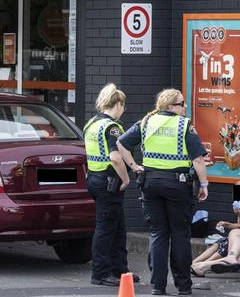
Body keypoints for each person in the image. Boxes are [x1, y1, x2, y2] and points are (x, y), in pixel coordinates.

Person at [117, 88, 209, 296]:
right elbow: (198, 160)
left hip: (150, 184)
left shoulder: (147, 122)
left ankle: (158, 286)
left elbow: (121, 143)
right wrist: (204, 185)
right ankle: (183, 286)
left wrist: (134, 166)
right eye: (182, 103)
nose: (185, 107)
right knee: (180, 234)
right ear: (170, 106)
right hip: (178, 185)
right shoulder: (184, 125)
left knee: (158, 234)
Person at [84, 83, 140, 287]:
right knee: (106, 229)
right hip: (108, 181)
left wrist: (133, 166)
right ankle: (100, 273)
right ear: (117, 104)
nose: (123, 110)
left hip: (94, 178)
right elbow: (116, 158)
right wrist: (126, 178)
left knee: (117, 227)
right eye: (123, 106)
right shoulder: (112, 127)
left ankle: (120, 270)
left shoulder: (92, 123)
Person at [191, 181, 240, 270]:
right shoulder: (239, 204)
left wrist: (239, 216)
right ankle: (194, 262)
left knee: (224, 245)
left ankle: (202, 265)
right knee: (217, 244)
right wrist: (228, 223)